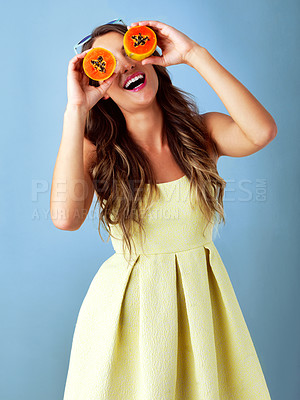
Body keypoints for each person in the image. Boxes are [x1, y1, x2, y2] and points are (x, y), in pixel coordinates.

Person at [51, 19, 276, 400]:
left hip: (201, 310)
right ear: (99, 88)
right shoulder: (97, 151)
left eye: (132, 51)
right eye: (107, 64)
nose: (125, 67)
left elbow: (261, 132)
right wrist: (76, 110)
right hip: (128, 318)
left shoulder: (202, 135)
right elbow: (65, 218)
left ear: (153, 57)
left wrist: (193, 55)